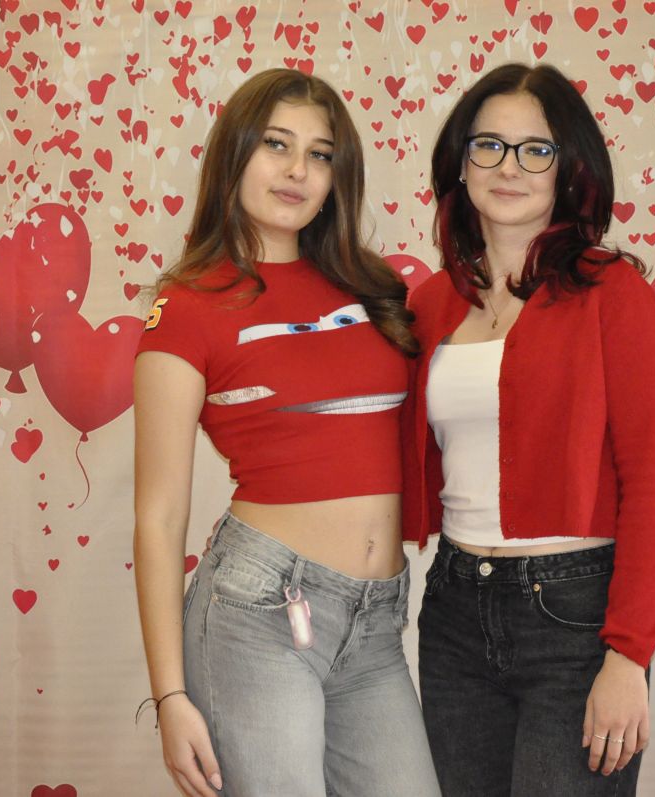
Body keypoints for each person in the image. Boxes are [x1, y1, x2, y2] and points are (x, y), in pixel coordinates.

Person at [133, 68, 439, 797]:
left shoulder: (376, 291)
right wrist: (169, 696)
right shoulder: (188, 306)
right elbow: (158, 517)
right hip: (258, 616)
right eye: (276, 144)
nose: (298, 169)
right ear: (234, 154)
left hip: (376, 625)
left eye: (320, 153)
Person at [402, 62, 655, 796]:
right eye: (488, 145)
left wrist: (628, 654)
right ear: (461, 161)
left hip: (575, 617)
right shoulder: (428, 304)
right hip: (455, 610)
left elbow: (653, 481)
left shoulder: (613, 291)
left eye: (536, 149)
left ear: (568, 169)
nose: (509, 167)